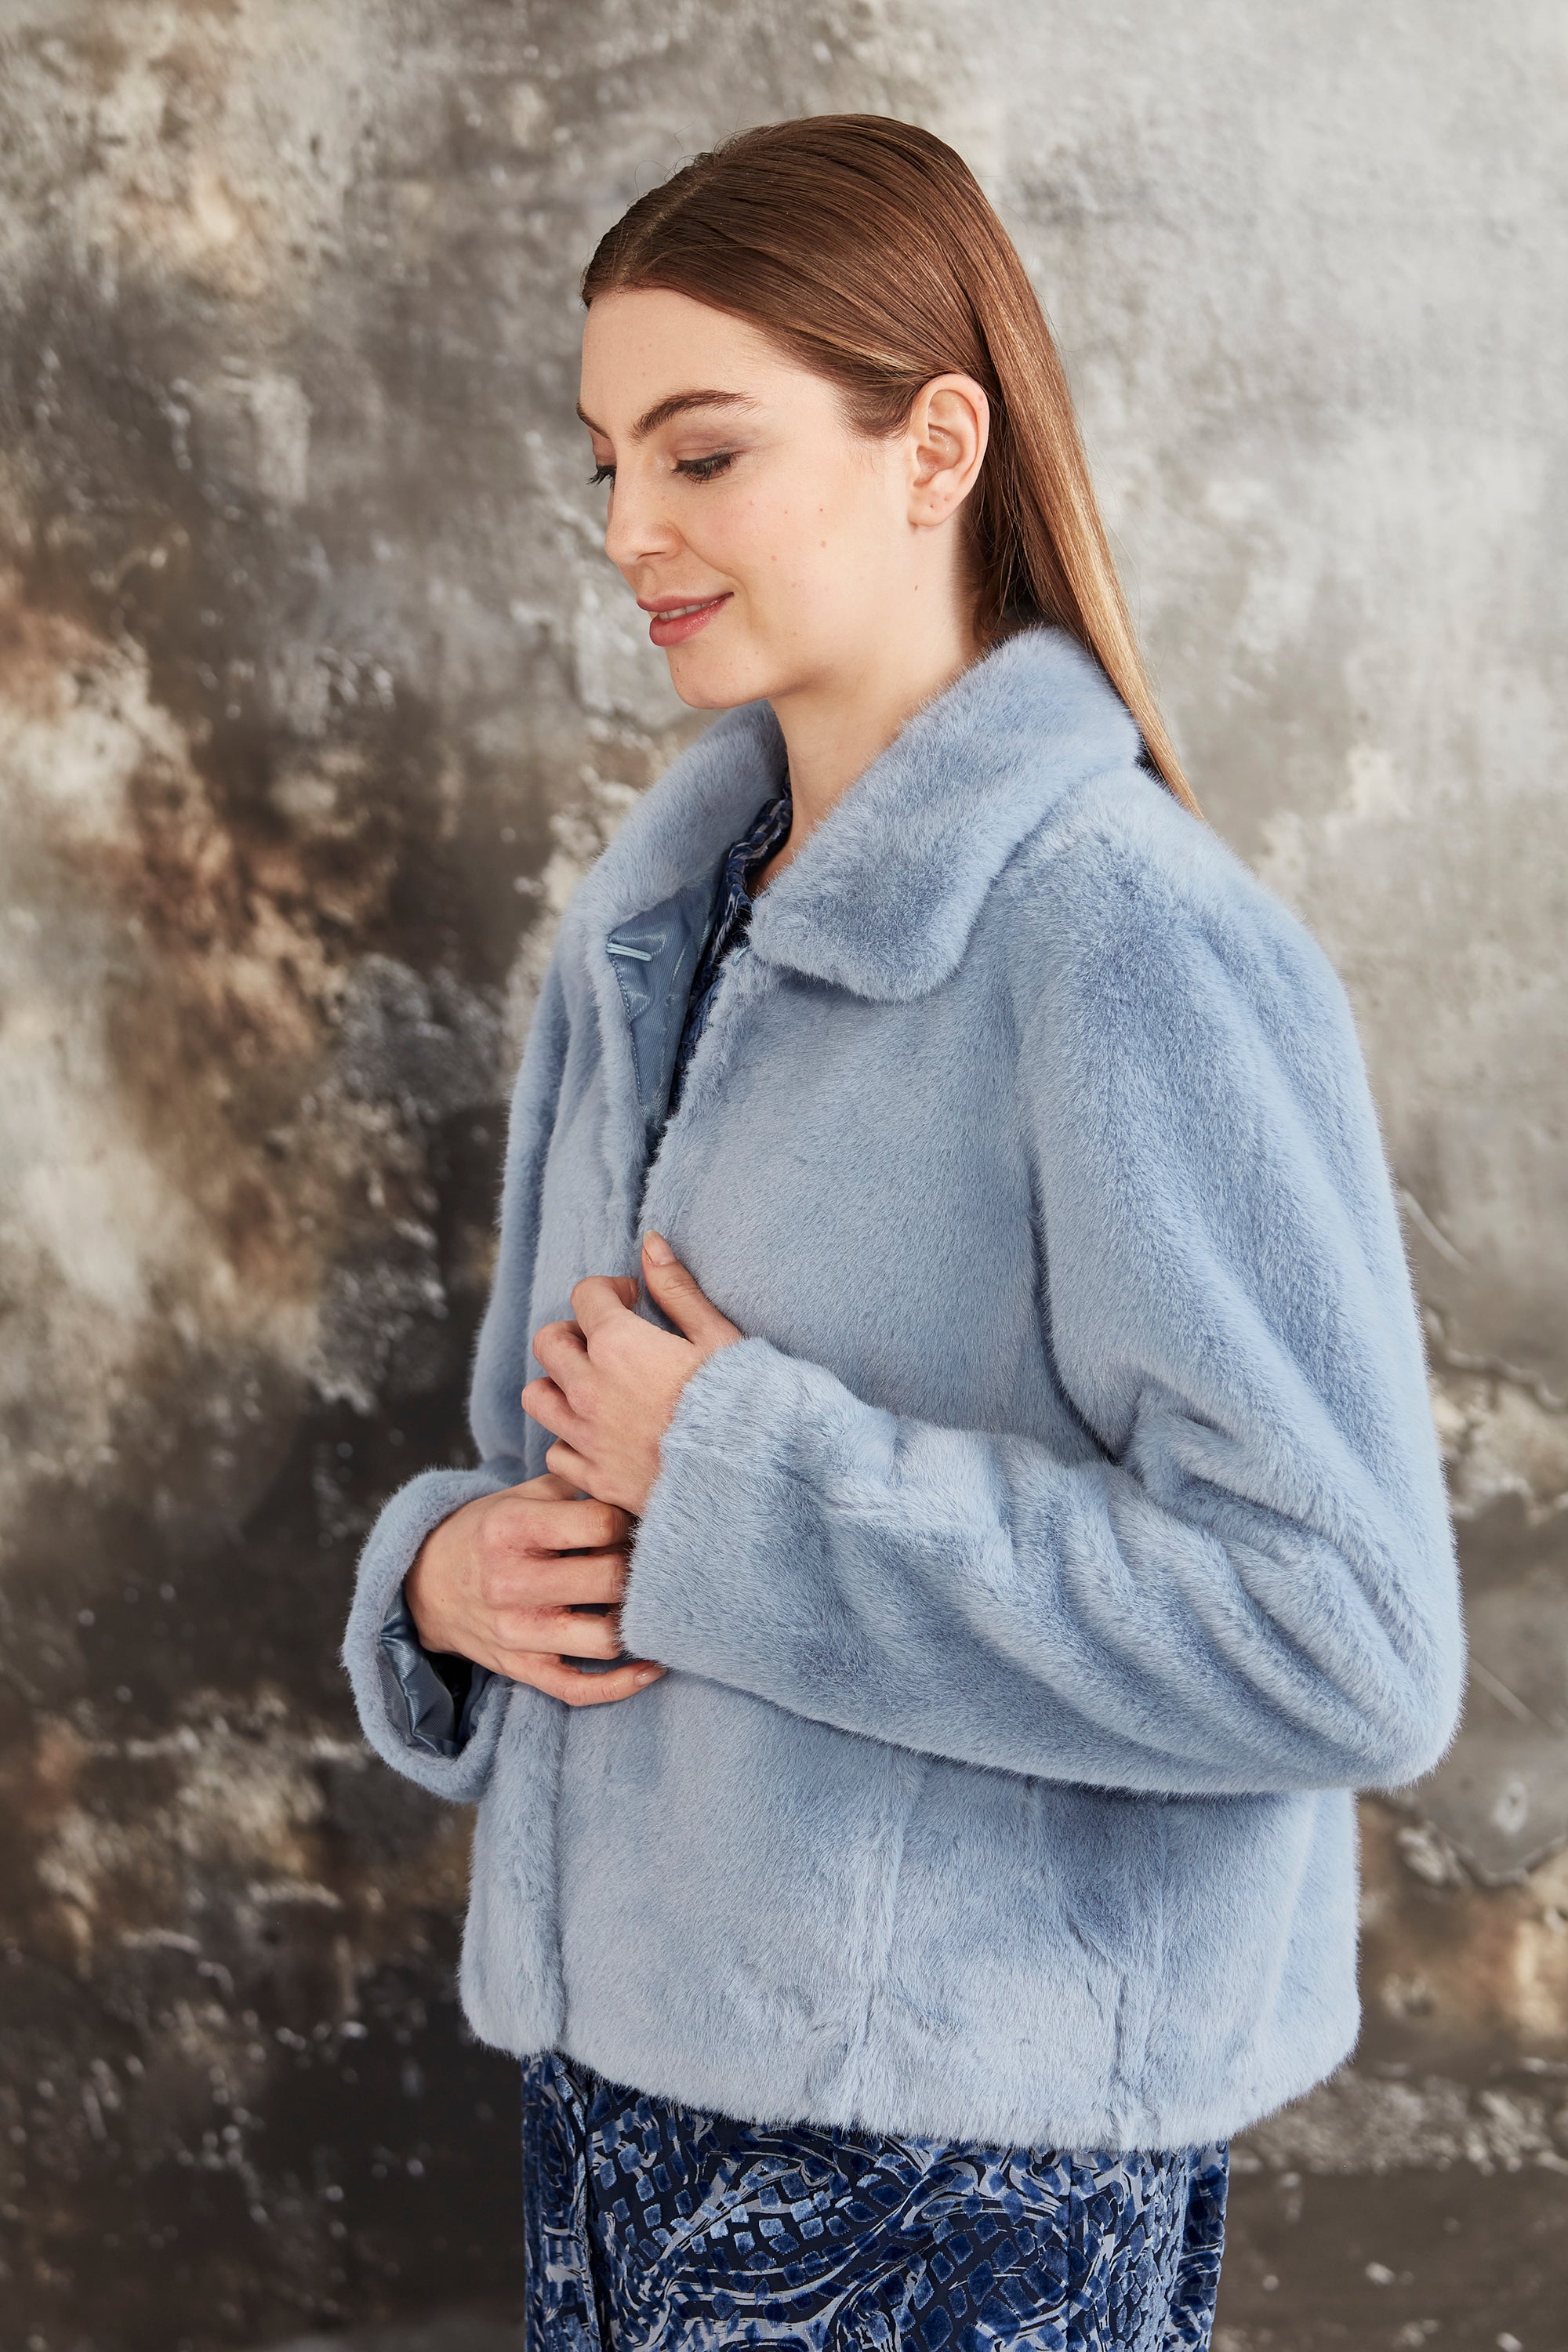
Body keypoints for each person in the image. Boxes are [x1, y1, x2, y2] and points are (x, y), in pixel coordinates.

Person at [343, 114, 1463, 2350]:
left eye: (703, 454)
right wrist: (453, 1581)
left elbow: (1343, 1635)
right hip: (616, 2117)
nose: (630, 530)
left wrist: (743, 1480)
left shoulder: (1123, 941)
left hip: (969, 2175)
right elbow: (560, 1460)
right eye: (606, 465)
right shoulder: (651, 934)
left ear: (937, 444)